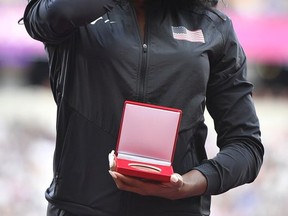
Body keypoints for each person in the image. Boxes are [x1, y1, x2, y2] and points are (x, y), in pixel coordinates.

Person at [22, 0, 264, 215]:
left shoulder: (212, 26)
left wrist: (187, 184)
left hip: (178, 209)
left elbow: (246, 146)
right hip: (79, 206)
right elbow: (57, 13)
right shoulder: (68, 12)